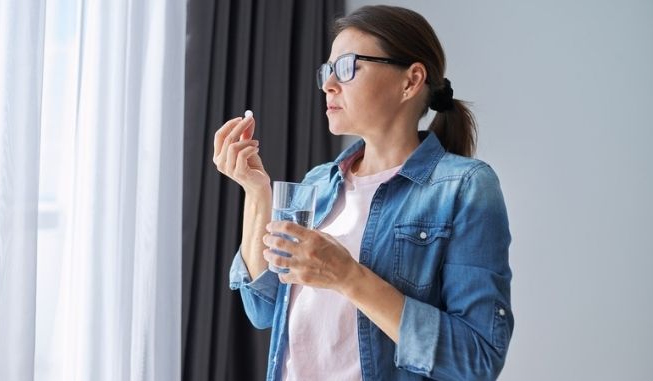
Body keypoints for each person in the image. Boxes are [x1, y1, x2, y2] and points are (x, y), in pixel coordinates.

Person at [213, 5, 513, 381]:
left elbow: (477, 360)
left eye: (347, 67)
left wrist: (348, 276)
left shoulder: (465, 187)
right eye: (326, 71)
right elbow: (263, 307)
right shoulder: (319, 183)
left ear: (411, 80)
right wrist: (256, 192)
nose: (328, 85)